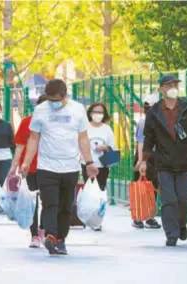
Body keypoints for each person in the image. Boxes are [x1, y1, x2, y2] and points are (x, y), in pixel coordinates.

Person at [20, 79, 99, 255]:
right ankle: (51, 236)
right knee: (50, 203)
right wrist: (26, 162)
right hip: (46, 166)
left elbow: (83, 138)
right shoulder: (40, 110)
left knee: (66, 206)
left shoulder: (77, 109)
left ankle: (61, 239)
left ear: (64, 96)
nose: (53, 103)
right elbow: (34, 138)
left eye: (56, 100)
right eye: (50, 100)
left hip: (70, 166)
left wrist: (89, 162)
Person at [140, 75, 187, 246]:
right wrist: (144, 160)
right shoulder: (154, 112)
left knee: (183, 199)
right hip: (163, 162)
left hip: (184, 162)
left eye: (175, 84)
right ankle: (171, 234)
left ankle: (181, 224)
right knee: (169, 199)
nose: (173, 87)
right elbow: (149, 138)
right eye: (169, 84)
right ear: (161, 89)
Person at [8, 94, 48, 248]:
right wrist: (14, 166)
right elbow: (20, 146)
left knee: (47, 200)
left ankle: (44, 229)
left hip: (50, 167)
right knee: (33, 202)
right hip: (30, 167)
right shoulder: (27, 122)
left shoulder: (57, 125)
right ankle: (35, 235)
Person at [80, 102, 115, 231]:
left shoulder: (107, 129)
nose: (98, 115)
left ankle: (97, 219)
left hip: (102, 164)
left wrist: (105, 147)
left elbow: (112, 146)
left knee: (100, 191)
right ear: (90, 113)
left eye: (101, 112)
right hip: (88, 164)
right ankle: (88, 216)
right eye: (95, 112)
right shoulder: (85, 127)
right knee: (89, 191)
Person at [132, 94, 162, 229]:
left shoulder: (161, 122)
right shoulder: (143, 122)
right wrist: (140, 160)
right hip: (144, 157)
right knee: (141, 188)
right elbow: (140, 142)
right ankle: (137, 216)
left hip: (156, 157)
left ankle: (150, 217)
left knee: (152, 187)